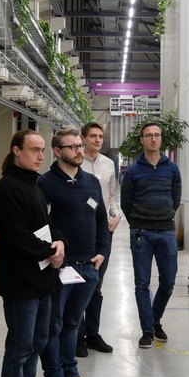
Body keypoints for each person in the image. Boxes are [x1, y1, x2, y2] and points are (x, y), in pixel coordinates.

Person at [0, 129, 65, 377]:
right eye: (34, 150)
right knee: (19, 347)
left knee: (36, 343)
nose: (40, 156)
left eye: (43, 150)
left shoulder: (35, 185)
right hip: (20, 281)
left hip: (42, 278)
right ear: (16, 151)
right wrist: (50, 252)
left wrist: (59, 242)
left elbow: (47, 223)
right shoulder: (6, 189)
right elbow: (16, 236)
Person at [38, 129, 109, 377]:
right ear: (57, 151)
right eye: (73, 147)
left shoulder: (91, 182)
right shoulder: (45, 183)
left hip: (88, 266)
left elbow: (101, 219)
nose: (80, 150)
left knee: (72, 324)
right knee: (53, 325)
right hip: (61, 267)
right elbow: (41, 224)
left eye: (80, 145)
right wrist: (53, 254)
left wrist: (101, 251)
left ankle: (71, 374)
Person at [120, 122, 182, 349]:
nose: (153, 139)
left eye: (157, 135)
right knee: (142, 284)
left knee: (169, 281)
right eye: (149, 135)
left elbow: (176, 198)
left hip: (166, 230)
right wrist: (138, 222)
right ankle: (147, 330)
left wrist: (164, 215)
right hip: (141, 232)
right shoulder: (133, 170)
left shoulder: (172, 168)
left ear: (161, 138)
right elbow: (125, 202)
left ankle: (154, 320)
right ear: (142, 140)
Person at [77, 121, 120, 355]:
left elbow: (112, 196)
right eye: (93, 136)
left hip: (103, 230)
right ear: (83, 138)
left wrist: (116, 215)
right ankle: (77, 335)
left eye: (100, 136)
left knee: (96, 284)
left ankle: (92, 334)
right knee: (78, 283)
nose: (97, 140)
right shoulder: (76, 161)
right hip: (81, 229)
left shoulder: (108, 164)